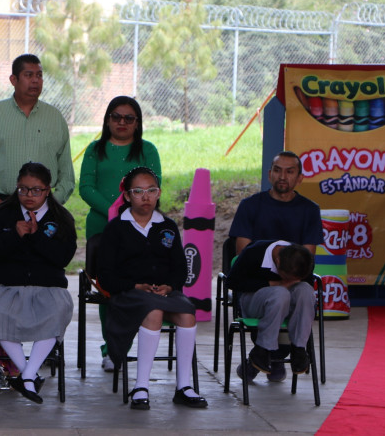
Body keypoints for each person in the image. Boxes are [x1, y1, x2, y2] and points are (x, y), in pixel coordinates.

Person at [98, 166, 208, 410]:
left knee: (187, 313)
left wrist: (170, 286)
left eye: (151, 190)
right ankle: (141, 386)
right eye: (138, 191)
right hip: (128, 294)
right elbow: (105, 275)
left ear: (158, 194)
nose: (145, 197)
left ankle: (184, 386)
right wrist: (135, 285)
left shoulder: (166, 226)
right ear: (127, 196)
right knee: (153, 312)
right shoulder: (116, 228)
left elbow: (180, 267)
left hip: (163, 293)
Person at [0, 162, 76, 404]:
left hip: (49, 286)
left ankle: (28, 375)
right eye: (23, 189)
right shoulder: (2, 214)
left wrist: (37, 236)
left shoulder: (61, 218)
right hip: (9, 285)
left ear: (48, 190)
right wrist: (14, 234)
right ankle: (29, 375)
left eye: (36, 190)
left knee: (59, 309)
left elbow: (63, 257)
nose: (29, 196)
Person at [79, 96, 161, 373]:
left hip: (141, 227)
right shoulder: (94, 149)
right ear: (107, 120)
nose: (122, 122)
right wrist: (114, 212)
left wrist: (130, 212)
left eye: (129, 118)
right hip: (103, 227)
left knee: (139, 284)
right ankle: (111, 349)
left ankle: (137, 344)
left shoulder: (147, 150)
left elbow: (153, 186)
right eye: (116, 117)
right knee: (108, 288)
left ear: (138, 122)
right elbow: (86, 187)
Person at [228, 150, 322, 382]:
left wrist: (289, 274)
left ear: (300, 178)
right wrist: (276, 277)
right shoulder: (250, 205)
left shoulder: (309, 210)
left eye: (290, 172)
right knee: (279, 293)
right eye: (278, 171)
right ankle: (268, 354)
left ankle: (294, 352)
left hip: (293, 281)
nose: (283, 176)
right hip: (256, 290)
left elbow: (306, 261)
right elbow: (243, 256)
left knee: (306, 292)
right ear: (269, 175)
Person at [0, 54, 75, 209]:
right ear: (13, 80)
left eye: (39, 75)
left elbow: (67, 173)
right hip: (1, 203)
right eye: (29, 75)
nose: (35, 80)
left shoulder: (55, 118)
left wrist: (52, 205)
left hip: (46, 206)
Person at [226, 240, 316, 378]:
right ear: (277, 262)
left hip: (286, 305)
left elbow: (306, 284)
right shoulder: (254, 252)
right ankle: (263, 349)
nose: (290, 282)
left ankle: (299, 348)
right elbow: (232, 282)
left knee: (306, 291)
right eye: (288, 278)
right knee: (280, 293)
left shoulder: (303, 260)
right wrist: (274, 283)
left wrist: (292, 284)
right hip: (254, 300)